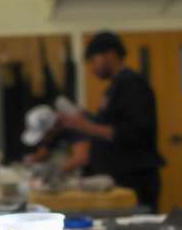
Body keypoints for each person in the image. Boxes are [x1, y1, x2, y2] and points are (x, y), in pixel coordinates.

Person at [58, 31, 164, 211]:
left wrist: (85, 126)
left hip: (134, 178)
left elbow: (135, 132)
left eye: (93, 60)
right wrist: (85, 120)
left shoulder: (132, 84)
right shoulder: (115, 87)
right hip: (119, 176)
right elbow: (111, 124)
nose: (92, 68)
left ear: (110, 54)